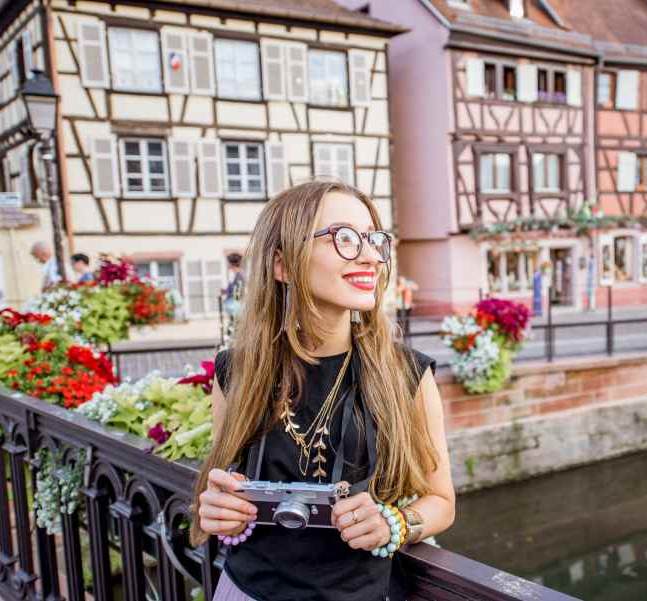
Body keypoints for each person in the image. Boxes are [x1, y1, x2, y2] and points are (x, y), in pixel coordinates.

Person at [191, 181, 455, 601]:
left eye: (373, 240)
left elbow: (441, 501)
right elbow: (220, 489)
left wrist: (396, 523)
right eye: (345, 239)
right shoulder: (236, 370)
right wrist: (218, 509)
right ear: (281, 264)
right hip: (246, 592)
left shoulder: (406, 372)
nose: (370, 255)